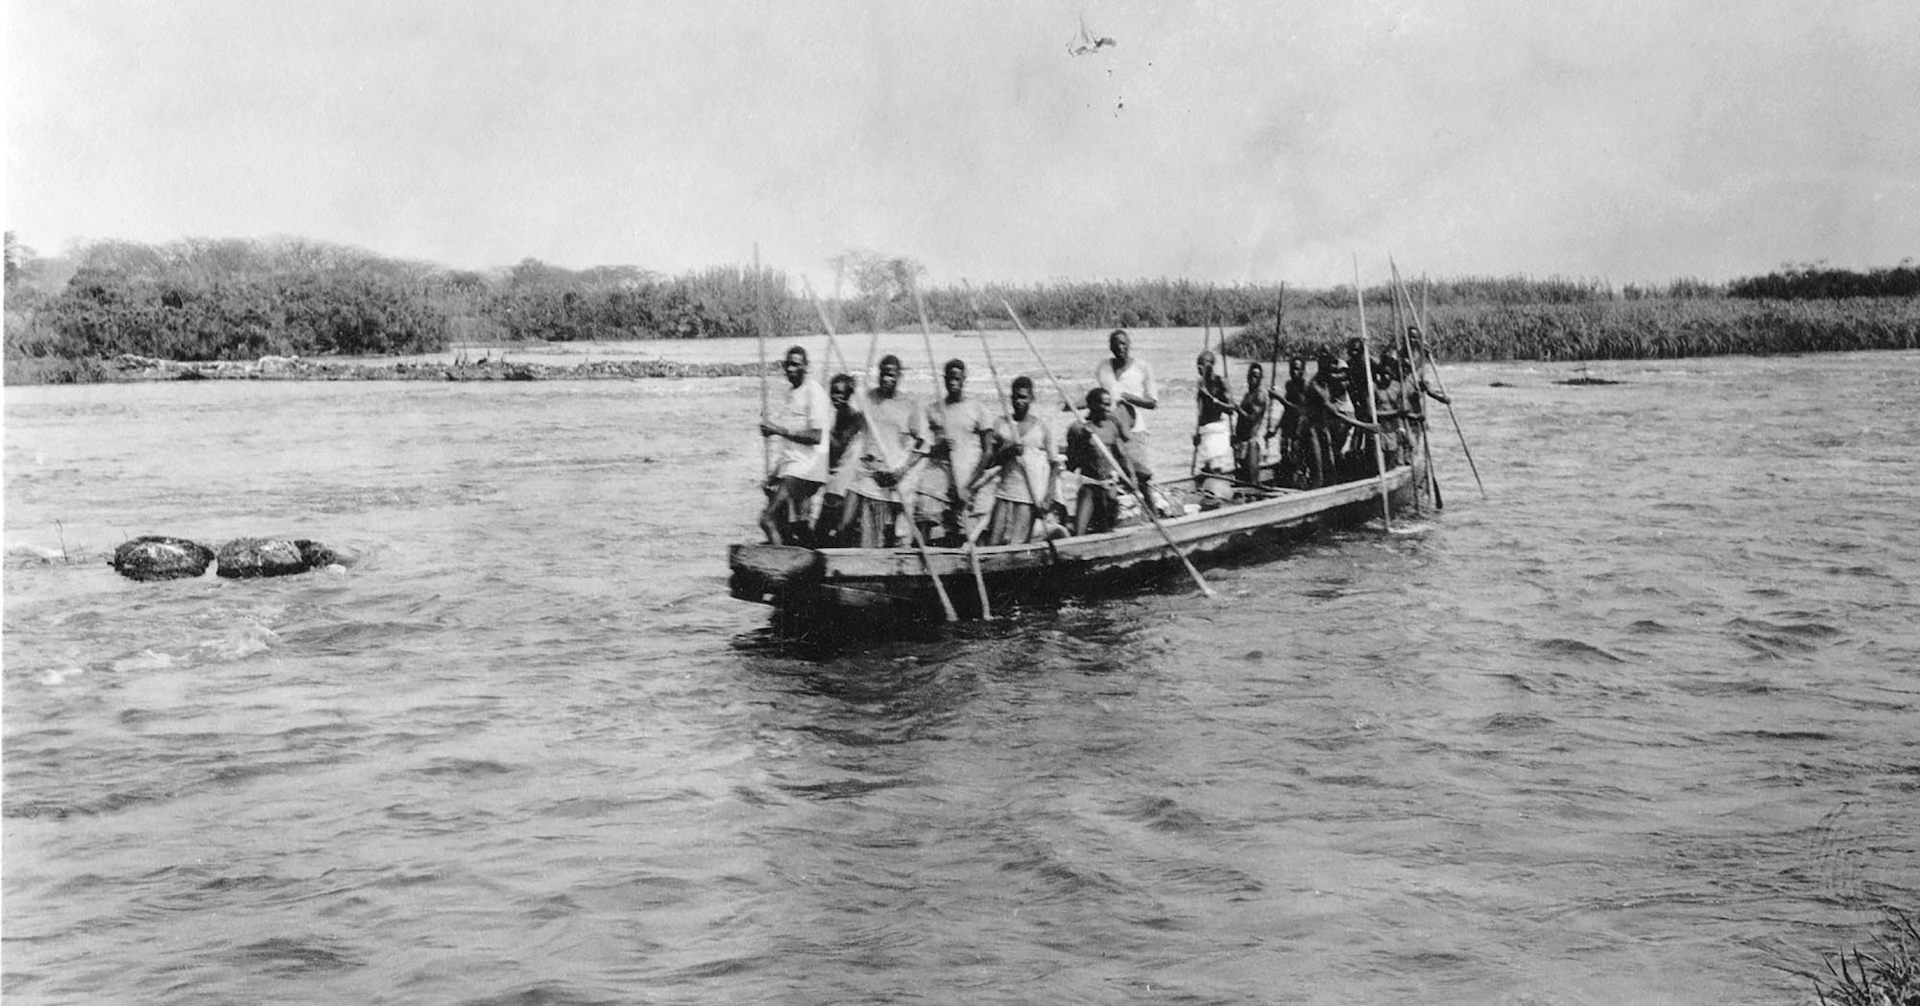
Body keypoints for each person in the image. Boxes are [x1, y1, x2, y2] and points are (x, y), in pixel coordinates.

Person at [843, 355, 929, 548]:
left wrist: (902, 470)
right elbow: (852, 418)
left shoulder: (909, 404)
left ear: (899, 376)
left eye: (891, 375)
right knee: (867, 533)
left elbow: (923, 445)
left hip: (895, 476)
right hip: (870, 474)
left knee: (896, 536)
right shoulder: (868, 398)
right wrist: (852, 388)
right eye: (883, 374)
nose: (886, 379)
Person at [757, 346, 831, 545]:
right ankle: (805, 554)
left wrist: (777, 430)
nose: (790, 369)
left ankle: (781, 563)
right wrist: (773, 474)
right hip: (793, 467)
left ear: (806, 366)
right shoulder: (791, 393)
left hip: (808, 469)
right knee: (796, 525)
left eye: (796, 365)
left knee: (767, 518)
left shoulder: (814, 392)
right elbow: (789, 443)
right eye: (787, 365)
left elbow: (816, 436)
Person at [918, 358, 995, 546]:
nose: (953, 382)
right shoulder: (934, 410)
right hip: (942, 476)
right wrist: (938, 449)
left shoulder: (977, 409)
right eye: (950, 378)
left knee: (970, 530)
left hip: (969, 477)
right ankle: (926, 557)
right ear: (944, 379)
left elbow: (988, 452)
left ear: (964, 380)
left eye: (957, 379)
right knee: (925, 511)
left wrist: (968, 486)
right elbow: (924, 449)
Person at [980, 376, 1060, 545]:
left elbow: (1055, 464)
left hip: (1030, 493)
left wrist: (1048, 497)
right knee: (993, 540)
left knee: (1018, 543)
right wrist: (1007, 452)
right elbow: (991, 462)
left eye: (1023, 397)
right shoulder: (1002, 424)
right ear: (1010, 398)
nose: (1019, 401)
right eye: (1015, 397)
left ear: (1032, 398)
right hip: (1005, 489)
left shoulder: (1042, 426)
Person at [1064, 387, 1134, 535]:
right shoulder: (1077, 429)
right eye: (1104, 404)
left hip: (1109, 487)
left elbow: (1123, 456)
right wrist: (1083, 440)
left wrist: (1131, 479)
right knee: (1079, 533)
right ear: (1091, 405)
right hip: (1090, 486)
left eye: (1109, 404)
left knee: (1108, 529)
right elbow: (1072, 464)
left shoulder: (1111, 426)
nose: (1108, 409)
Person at [1304, 348, 1377, 486]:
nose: (1333, 375)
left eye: (1334, 371)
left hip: (1324, 429)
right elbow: (1336, 413)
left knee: (1330, 464)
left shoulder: (1328, 382)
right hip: (1313, 430)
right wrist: (1365, 426)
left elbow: (1346, 378)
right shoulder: (1316, 386)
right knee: (1319, 468)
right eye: (1330, 371)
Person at [1095, 328, 1157, 489]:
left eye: (1123, 344)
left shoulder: (1142, 367)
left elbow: (1152, 403)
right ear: (1110, 347)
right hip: (1110, 431)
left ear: (1129, 344)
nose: (1120, 348)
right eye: (1115, 345)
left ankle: (1151, 510)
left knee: (1142, 476)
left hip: (1134, 431)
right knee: (1116, 478)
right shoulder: (1103, 367)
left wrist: (1128, 397)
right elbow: (1098, 398)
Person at [812, 372, 862, 546]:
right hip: (835, 473)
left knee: (831, 522)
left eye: (841, 393)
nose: (836, 397)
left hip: (847, 474)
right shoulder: (835, 416)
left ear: (849, 395)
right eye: (833, 392)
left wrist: (824, 430)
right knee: (824, 524)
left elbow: (841, 445)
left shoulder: (855, 417)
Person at [1191, 350, 1235, 501]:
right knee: (1205, 468)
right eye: (1198, 366)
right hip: (1205, 432)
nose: (1199, 369)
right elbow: (1200, 411)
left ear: (1210, 365)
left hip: (1217, 432)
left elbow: (1231, 409)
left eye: (1202, 366)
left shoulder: (1221, 382)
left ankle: (1219, 498)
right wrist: (1196, 433)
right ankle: (1209, 498)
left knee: (1215, 469)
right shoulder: (1200, 383)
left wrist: (1212, 398)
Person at [1232, 361, 1273, 486]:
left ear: (1260, 379)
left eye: (1256, 377)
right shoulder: (1247, 395)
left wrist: (1237, 408)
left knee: (1252, 480)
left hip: (1252, 443)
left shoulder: (1259, 396)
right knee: (1243, 478)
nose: (1252, 379)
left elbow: (1252, 419)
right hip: (1242, 443)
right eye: (1251, 376)